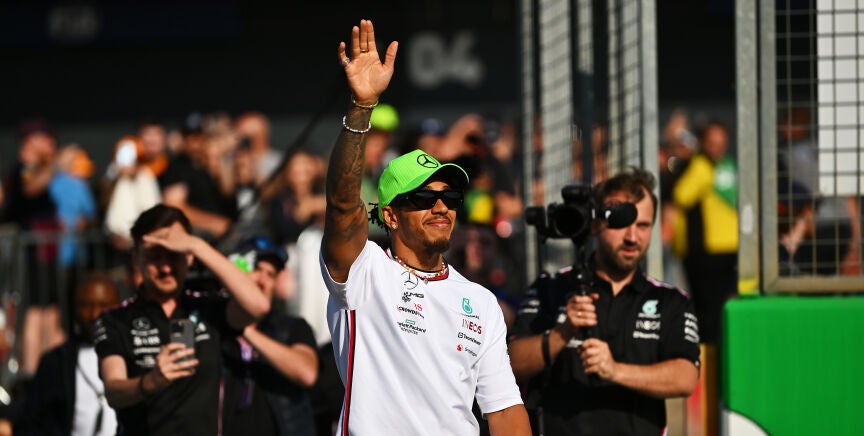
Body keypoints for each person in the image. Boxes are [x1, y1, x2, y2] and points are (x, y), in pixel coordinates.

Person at [320, 19, 530, 436]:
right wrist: (362, 107)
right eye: (421, 197)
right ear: (390, 216)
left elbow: (505, 412)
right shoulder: (364, 272)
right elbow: (342, 204)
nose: (440, 206)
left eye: (450, 197)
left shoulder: (480, 302)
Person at [508, 168, 700, 436]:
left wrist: (615, 371)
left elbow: (686, 378)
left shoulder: (670, 300)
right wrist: (562, 333)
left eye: (643, 226)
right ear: (596, 224)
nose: (632, 237)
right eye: (621, 223)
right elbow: (510, 365)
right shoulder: (550, 288)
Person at [92, 204, 270, 435]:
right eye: (154, 256)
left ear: (189, 256)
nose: (165, 267)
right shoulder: (115, 319)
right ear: (136, 257)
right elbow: (113, 391)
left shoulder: (207, 307)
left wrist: (198, 245)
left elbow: (258, 305)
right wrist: (151, 381)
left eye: (173, 254)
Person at [222, 236, 319, 436]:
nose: (262, 281)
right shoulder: (214, 326)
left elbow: (306, 373)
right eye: (256, 269)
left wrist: (245, 330)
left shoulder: (292, 327)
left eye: (271, 274)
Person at [14, 273, 120, 436]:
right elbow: (31, 420)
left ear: (118, 306)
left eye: (103, 305)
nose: (94, 314)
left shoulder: (132, 354)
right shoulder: (56, 361)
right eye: (86, 305)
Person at [672, 120, 737, 345]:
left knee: (710, 310)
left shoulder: (708, 166)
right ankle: (709, 352)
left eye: (721, 142)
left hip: (716, 248)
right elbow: (683, 196)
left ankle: (711, 352)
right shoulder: (717, 167)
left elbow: (681, 195)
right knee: (710, 308)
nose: (716, 148)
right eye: (712, 142)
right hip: (708, 249)